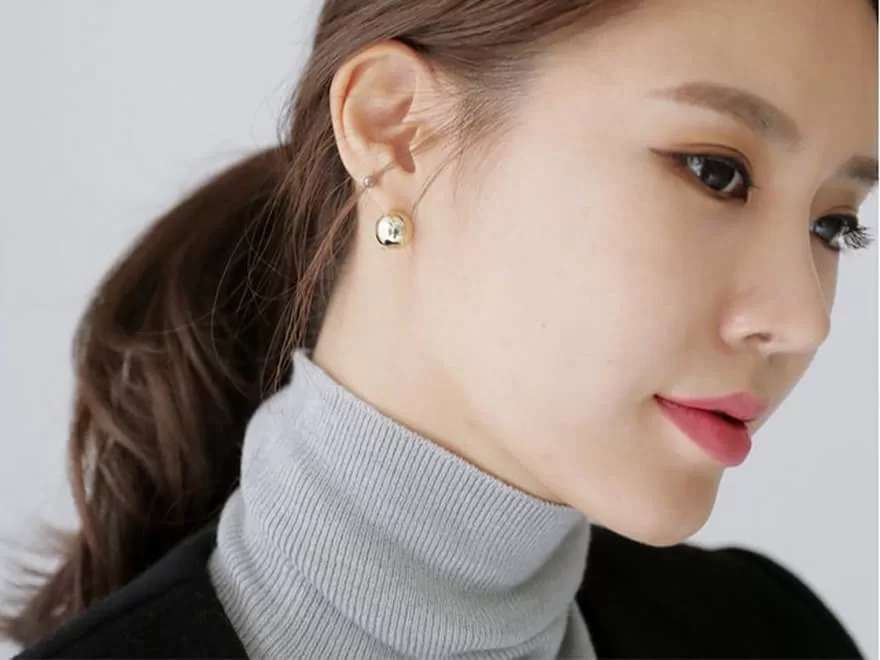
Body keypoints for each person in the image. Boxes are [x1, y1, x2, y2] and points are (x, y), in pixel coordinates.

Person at [2, 0, 876, 657]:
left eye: (834, 224)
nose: (804, 321)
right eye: (716, 172)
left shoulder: (776, 639)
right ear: (397, 132)